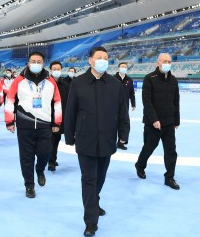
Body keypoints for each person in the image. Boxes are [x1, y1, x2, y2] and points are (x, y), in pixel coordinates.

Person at [64, 46, 129, 237]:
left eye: (106, 57)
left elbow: (122, 112)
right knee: (89, 179)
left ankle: (94, 202)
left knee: (100, 177)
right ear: (90, 60)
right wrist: (69, 135)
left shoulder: (115, 84)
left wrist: (123, 134)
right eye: (99, 57)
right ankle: (91, 221)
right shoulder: (78, 83)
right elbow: (71, 111)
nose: (103, 60)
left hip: (107, 140)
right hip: (85, 140)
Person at [5, 52, 62, 198]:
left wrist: (57, 121)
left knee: (45, 152)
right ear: (28, 63)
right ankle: (29, 185)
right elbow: (10, 99)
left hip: (45, 125)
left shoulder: (51, 81)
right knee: (26, 157)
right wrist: (9, 120)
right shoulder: (19, 80)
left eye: (39, 61)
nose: (36, 64)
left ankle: (40, 168)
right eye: (33, 61)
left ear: (43, 64)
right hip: (25, 125)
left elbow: (57, 102)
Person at [135, 53, 180, 190]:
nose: (167, 63)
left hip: (169, 123)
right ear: (158, 63)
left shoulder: (173, 80)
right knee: (149, 147)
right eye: (164, 61)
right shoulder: (150, 78)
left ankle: (169, 177)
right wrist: (154, 119)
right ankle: (140, 165)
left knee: (171, 151)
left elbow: (176, 101)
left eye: (169, 61)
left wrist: (176, 120)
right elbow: (146, 101)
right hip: (153, 123)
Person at [48, 61, 70, 171]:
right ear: (50, 70)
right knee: (49, 140)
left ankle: (52, 160)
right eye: (54, 69)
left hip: (60, 118)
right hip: (47, 117)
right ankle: (49, 160)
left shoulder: (65, 85)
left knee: (56, 140)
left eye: (58, 69)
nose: (56, 71)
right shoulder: (46, 83)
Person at [113, 62, 136, 150]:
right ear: (118, 68)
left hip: (125, 106)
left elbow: (132, 93)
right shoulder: (113, 79)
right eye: (122, 66)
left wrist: (133, 104)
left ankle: (121, 142)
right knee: (113, 124)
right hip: (113, 105)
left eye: (125, 67)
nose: (124, 68)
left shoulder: (129, 80)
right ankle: (111, 141)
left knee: (125, 124)